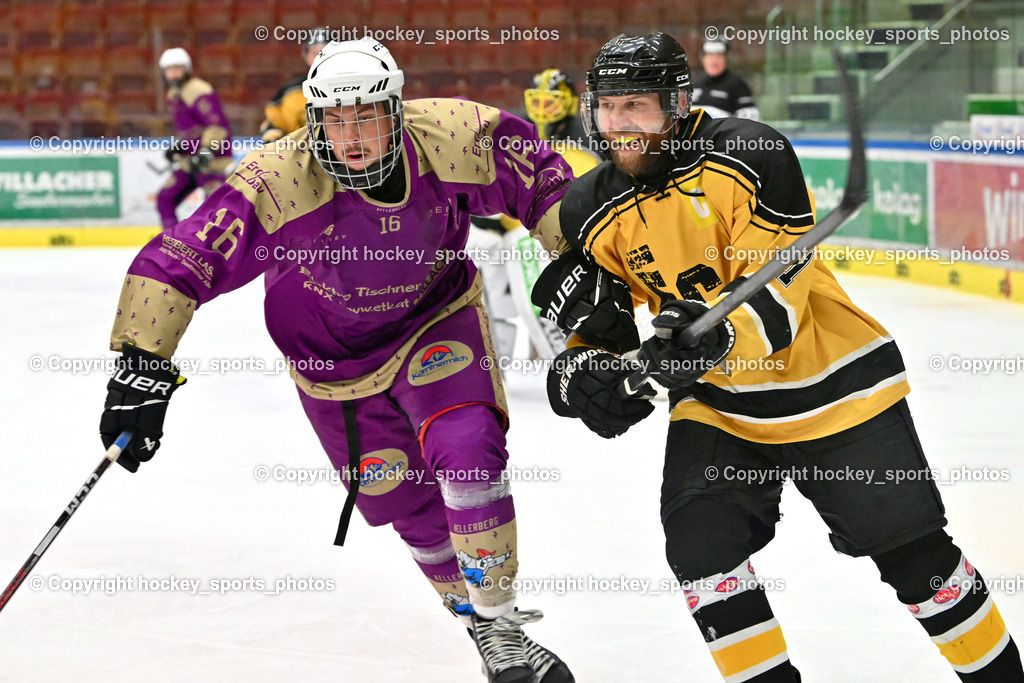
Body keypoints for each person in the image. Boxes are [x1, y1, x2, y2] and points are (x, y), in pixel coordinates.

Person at [535, 32, 1024, 682]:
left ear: (677, 103)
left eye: (637, 107)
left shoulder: (749, 153)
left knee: (919, 564)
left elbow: (782, 294)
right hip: (720, 407)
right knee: (702, 551)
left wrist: (716, 332)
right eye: (608, 107)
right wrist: (583, 373)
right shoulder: (589, 205)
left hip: (835, 385)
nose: (619, 125)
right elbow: (602, 329)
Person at [99, 38, 575, 683]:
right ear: (315, 120)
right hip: (331, 363)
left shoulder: (455, 134)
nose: (351, 136)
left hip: (435, 318)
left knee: (468, 448)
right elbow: (181, 259)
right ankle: (477, 623)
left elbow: (546, 181)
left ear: (396, 110)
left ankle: (500, 624)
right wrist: (139, 368)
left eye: (367, 116)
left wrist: (582, 269)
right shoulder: (277, 179)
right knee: (407, 509)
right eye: (335, 119)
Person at [468, 69, 601, 362]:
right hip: (506, 227)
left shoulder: (583, 140)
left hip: (550, 233)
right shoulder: (517, 131)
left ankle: (564, 360)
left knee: (527, 267)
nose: (542, 110)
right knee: (488, 291)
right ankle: (496, 366)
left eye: (550, 101)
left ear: (567, 102)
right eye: (536, 101)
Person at [156, 47, 234, 231]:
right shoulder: (174, 94)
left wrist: (207, 150)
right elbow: (191, 129)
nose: (173, 74)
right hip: (190, 163)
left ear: (187, 69)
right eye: (169, 70)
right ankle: (172, 245)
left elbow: (218, 127)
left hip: (213, 163)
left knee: (218, 212)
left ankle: (221, 251)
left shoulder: (198, 90)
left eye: (178, 69)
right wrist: (181, 147)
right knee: (165, 198)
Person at [259, 27, 330, 142]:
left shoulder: (353, 88)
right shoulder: (290, 92)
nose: (320, 59)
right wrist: (275, 140)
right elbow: (273, 127)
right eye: (315, 53)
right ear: (305, 55)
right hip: (300, 155)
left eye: (325, 53)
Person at [691, 37, 760, 120]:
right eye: (710, 56)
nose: (714, 61)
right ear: (702, 59)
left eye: (719, 56)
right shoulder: (697, 84)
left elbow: (751, 124)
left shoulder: (737, 86)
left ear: (726, 58)